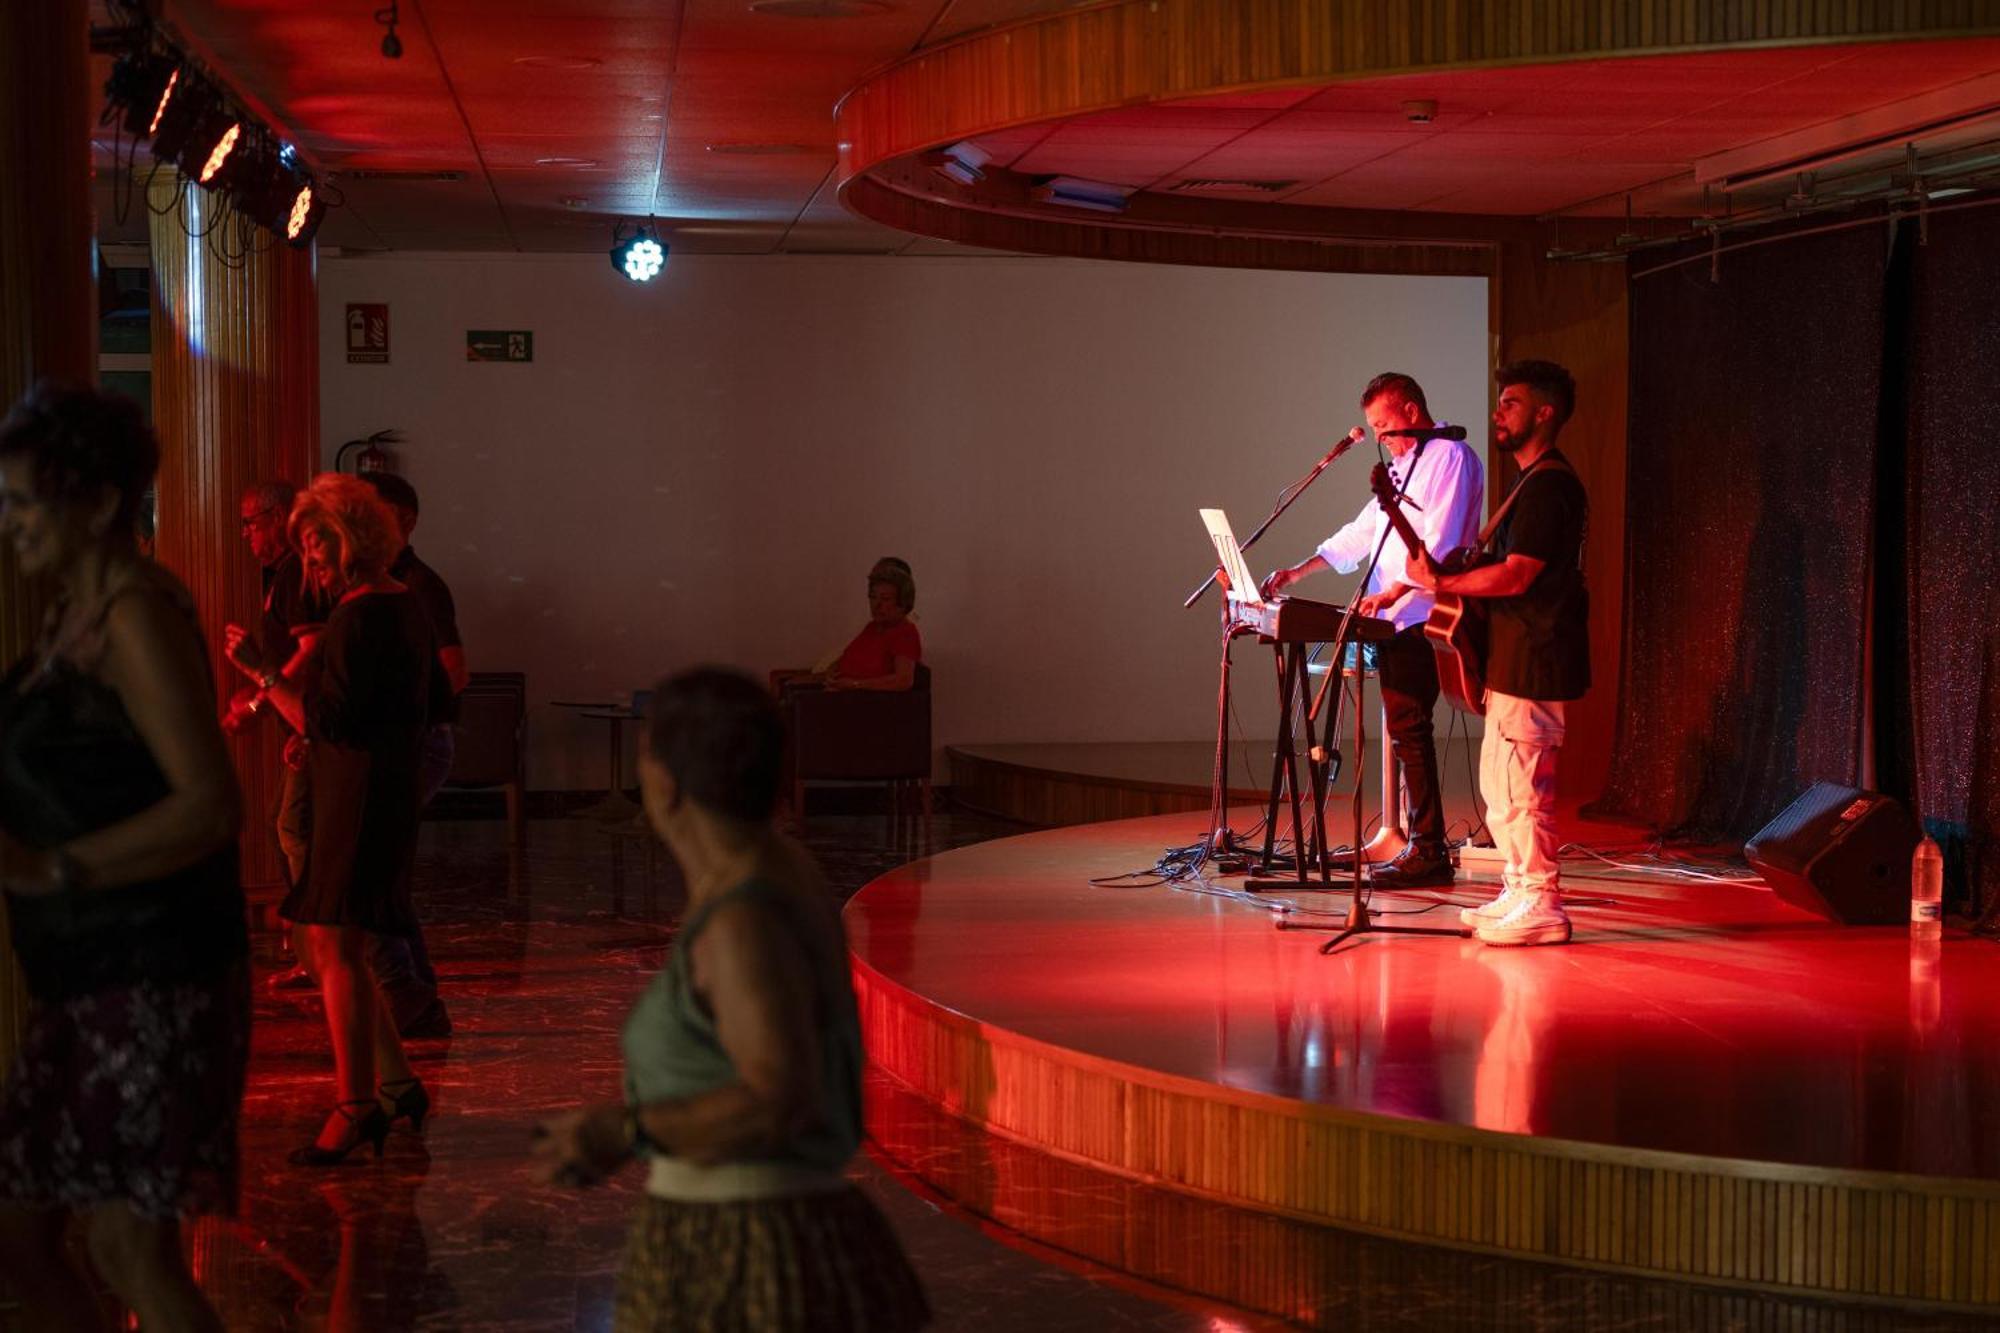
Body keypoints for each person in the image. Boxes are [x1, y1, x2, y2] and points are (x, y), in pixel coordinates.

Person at [532, 668, 930, 1332]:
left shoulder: (745, 919)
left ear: (666, 781)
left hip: (746, 1251)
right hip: (776, 1232)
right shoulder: (776, 868)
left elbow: (778, 1095)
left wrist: (624, 1130)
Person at [0, 384, 250, 1331]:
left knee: (126, 1249)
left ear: (99, 505)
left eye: (26, 502)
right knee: (23, 1230)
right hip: (88, 974)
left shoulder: (136, 613)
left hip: (155, 971)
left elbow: (211, 803)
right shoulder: (76, 608)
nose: (10, 523)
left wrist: (57, 869)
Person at [253, 474, 449, 1162]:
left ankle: (355, 1104)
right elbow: (417, 704)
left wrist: (265, 676)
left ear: (351, 539)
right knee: (328, 941)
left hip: (359, 795)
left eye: (316, 544)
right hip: (369, 786)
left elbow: (328, 717)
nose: (310, 562)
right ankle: (395, 1084)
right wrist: (314, 734)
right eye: (305, 548)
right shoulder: (399, 606)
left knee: (332, 945)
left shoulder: (361, 613)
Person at [1262, 371, 1485, 887]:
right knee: (1406, 731)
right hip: (1392, 617)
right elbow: (1362, 532)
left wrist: (1396, 592)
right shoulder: (1407, 464)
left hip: (1423, 614)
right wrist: (1301, 569)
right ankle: (1415, 843)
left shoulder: (1449, 458)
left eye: (1384, 425)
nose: (1380, 439)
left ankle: (1429, 851)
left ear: (1410, 410)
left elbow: (1443, 542)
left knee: (1411, 730)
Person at [1404, 360, 1589, 947]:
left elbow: (1516, 576)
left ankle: (1542, 901)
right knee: (1500, 786)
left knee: (1524, 790)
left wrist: (1443, 585)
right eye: (1499, 401)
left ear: (1545, 412)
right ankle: (1520, 886)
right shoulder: (1529, 485)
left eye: (1510, 402)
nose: (1496, 412)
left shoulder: (1551, 486)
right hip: (1515, 659)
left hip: (1535, 657)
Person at [359, 471, 465, 1039]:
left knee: (371, 866)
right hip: (403, 742)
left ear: (403, 519)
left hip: (413, 744)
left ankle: (407, 993)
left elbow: (454, 668)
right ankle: (413, 994)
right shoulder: (382, 584)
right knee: (382, 870)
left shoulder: (420, 585)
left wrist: (403, 724)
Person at [223, 478, 333, 993]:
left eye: (250, 521)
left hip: (320, 723)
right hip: (305, 722)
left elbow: (311, 656)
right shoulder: (284, 575)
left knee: (295, 826)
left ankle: (322, 944)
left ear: (281, 516)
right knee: (286, 823)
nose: (244, 533)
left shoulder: (297, 575)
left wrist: (257, 699)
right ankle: (315, 946)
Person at [827, 566, 922, 692]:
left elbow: (903, 680)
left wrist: (855, 684)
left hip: (869, 705)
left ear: (903, 604)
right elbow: (848, 659)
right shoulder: (873, 627)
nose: (876, 605)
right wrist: (832, 671)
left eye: (885, 599)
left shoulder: (904, 633)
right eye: (872, 597)